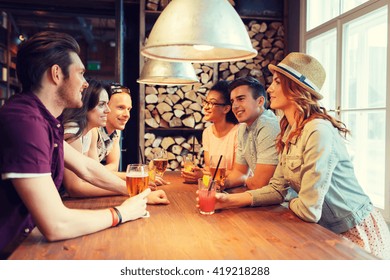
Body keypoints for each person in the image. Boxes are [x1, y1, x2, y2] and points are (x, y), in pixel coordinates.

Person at [203, 52, 390, 259]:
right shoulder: (289, 131)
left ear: (294, 88)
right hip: (325, 230)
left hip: (355, 232)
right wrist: (227, 201)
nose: (270, 88)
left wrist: (290, 201)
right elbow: (276, 189)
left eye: (276, 82)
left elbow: (309, 210)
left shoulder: (317, 130)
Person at [0, 31, 168, 259]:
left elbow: (86, 168)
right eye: (80, 73)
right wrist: (121, 213)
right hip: (11, 250)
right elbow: (56, 224)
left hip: (25, 241)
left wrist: (136, 193)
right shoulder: (25, 121)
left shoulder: (41, 119)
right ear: (56, 74)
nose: (85, 83)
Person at [221, 76, 280, 191]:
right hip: (262, 199)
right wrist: (224, 183)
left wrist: (246, 180)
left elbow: (260, 184)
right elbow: (239, 172)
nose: (235, 106)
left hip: (284, 203)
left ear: (260, 101)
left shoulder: (268, 125)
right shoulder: (243, 128)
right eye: (233, 101)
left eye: (241, 99)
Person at [181, 80, 239, 183]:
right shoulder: (207, 133)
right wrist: (197, 174)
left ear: (226, 109)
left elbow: (237, 173)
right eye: (206, 102)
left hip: (235, 189)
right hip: (214, 186)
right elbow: (209, 168)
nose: (206, 107)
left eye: (212, 103)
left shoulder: (238, 132)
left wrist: (203, 176)